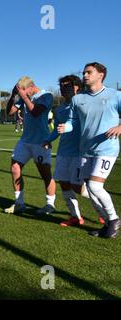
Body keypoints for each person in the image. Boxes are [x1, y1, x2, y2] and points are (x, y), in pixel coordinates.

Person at [58, 62, 121, 238]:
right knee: (90, 188)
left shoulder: (115, 95)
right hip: (85, 150)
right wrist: (66, 127)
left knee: (95, 185)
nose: (85, 75)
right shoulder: (78, 99)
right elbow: (73, 121)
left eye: (89, 72)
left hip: (107, 148)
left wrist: (120, 127)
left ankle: (114, 219)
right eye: (84, 72)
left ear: (100, 75)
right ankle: (108, 225)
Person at [43, 75, 90, 227]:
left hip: (79, 152)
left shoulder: (84, 103)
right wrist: (48, 140)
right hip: (63, 151)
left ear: (77, 87)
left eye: (68, 85)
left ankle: (102, 208)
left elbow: (74, 123)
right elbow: (57, 129)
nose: (64, 88)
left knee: (77, 186)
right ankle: (75, 216)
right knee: (64, 183)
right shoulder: (60, 109)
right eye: (62, 86)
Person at [4, 76, 56, 215]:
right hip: (25, 141)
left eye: (25, 91)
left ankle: (50, 204)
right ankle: (19, 203)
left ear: (31, 86)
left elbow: (36, 112)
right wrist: (13, 96)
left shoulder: (47, 96)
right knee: (15, 168)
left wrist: (24, 97)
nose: (24, 94)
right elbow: (9, 112)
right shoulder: (23, 96)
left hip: (41, 142)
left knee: (45, 174)